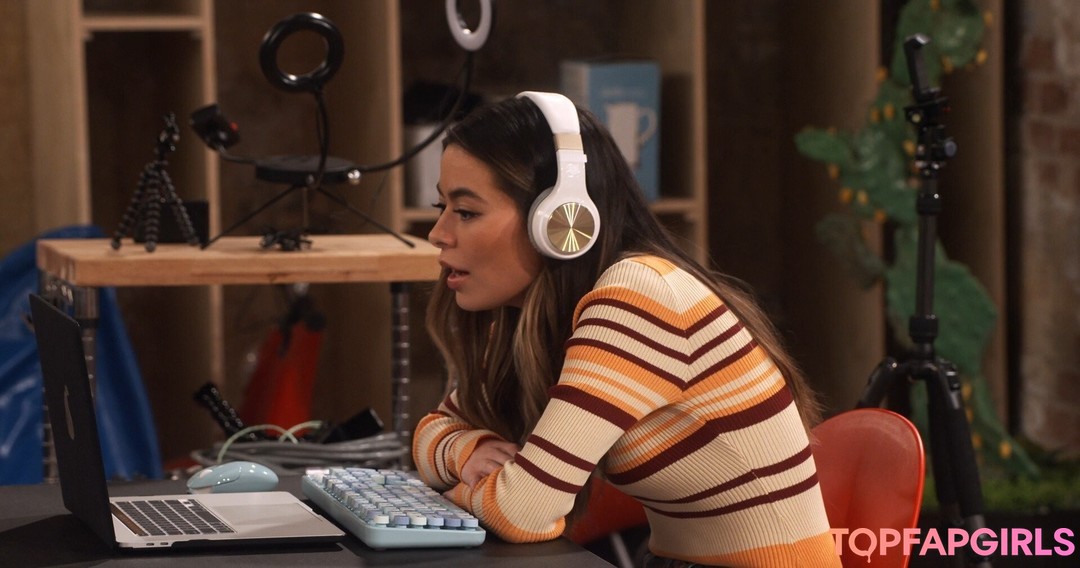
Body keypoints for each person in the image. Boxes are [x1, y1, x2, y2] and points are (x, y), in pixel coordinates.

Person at [412, 91, 841, 568]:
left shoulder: (638, 299)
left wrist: (443, 499)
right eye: (440, 206)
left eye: (466, 212)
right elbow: (433, 430)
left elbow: (520, 512)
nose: (438, 233)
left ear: (558, 221)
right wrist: (471, 453)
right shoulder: (539, 317)